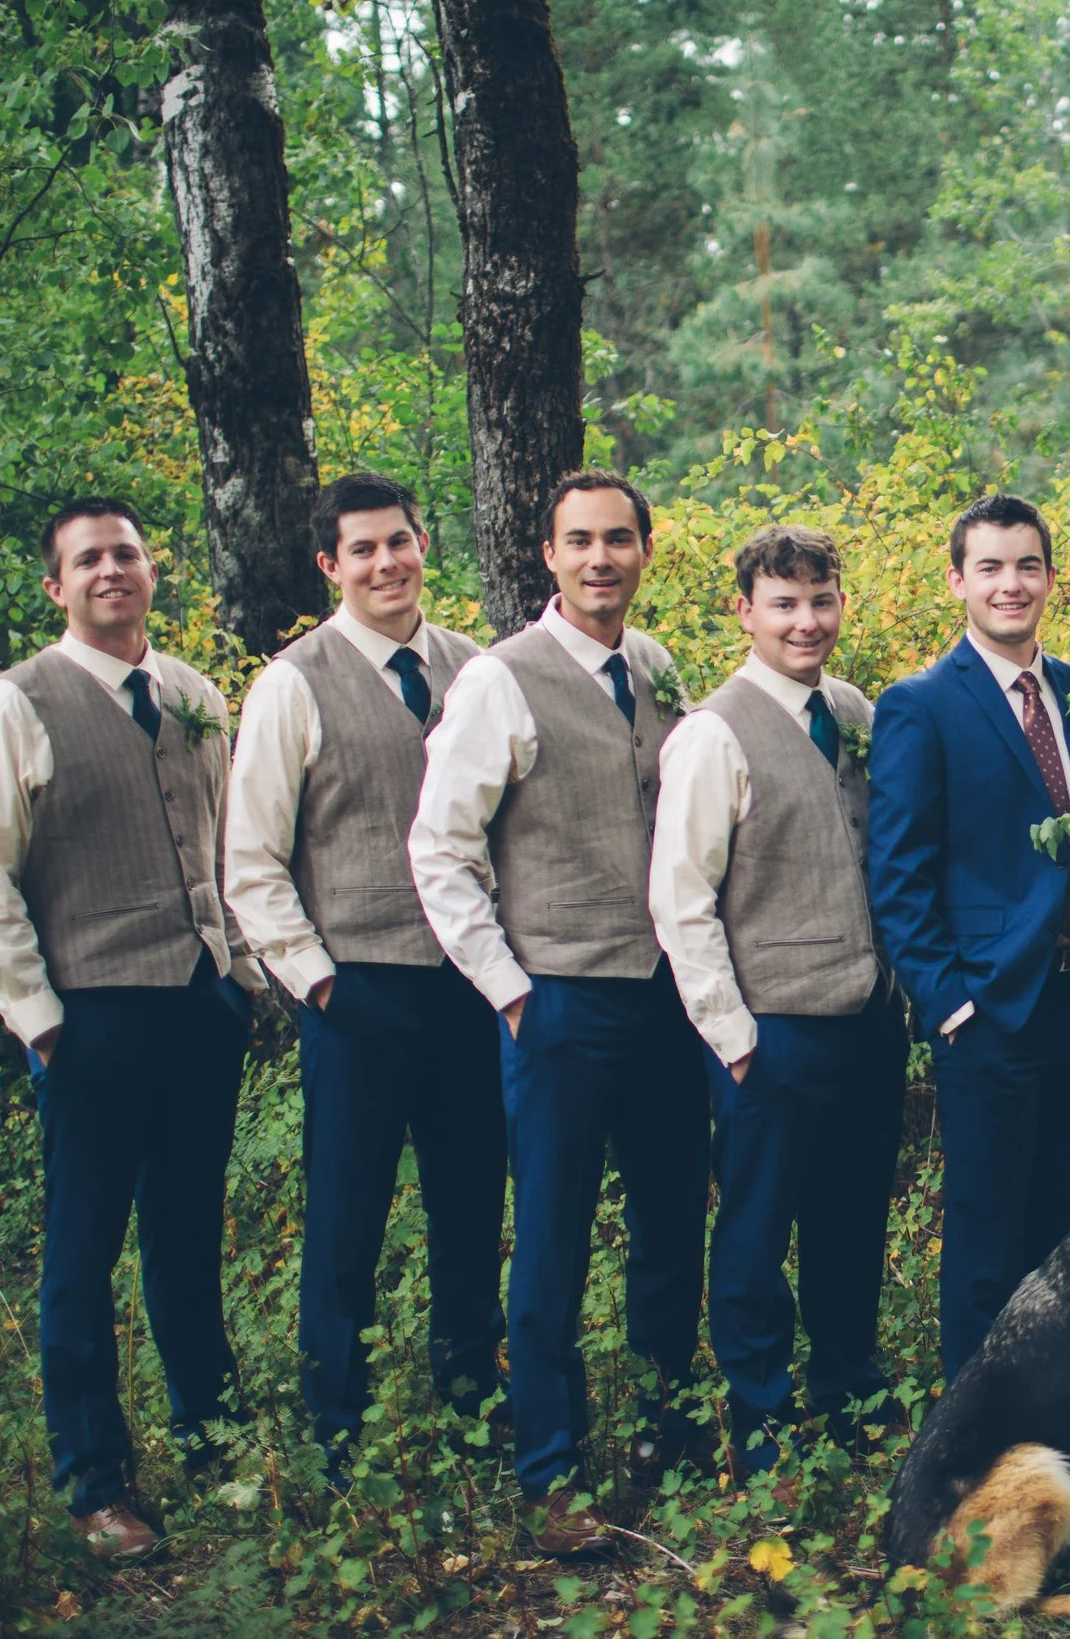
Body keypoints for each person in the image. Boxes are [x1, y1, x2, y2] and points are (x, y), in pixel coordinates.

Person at [0, 498, 261, 1561]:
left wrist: (239, 976)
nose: (111, 570)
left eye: (125, 552)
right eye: (88, 560)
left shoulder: (193, 695)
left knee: (186, 1237)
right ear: (57, 586)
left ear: (150, 567)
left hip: (196, 1003)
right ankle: (96, 1483)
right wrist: (39, 1022)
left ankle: (214, 1440)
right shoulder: (14, 706)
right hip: (87, 1016)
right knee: (82, 1252)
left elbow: (220, 851)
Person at [407, 469, 710, 1553]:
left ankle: (666, 1430)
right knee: (551, 1239)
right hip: (560, 1001)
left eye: (618, 539)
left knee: (673, 1222)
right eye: (579, 540)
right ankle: (549, 1467)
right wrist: (509, 986)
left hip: (665, 999)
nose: (600, 559)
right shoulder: (500, 681)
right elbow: (439, 849)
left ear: (644, 548)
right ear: (547, 554)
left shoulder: (659, 668)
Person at [224, 473, 506, 1484]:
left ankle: (474, 1401)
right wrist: (319, 982)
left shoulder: (476, 670)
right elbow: (252, 862)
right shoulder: (293, 684)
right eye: (364, 550)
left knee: (472, 1207)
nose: (387, 563)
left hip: (470, 988)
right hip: (360, 990)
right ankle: (336, 1430)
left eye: (401, 541)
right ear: (329, 565)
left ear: (423, 542)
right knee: (349, 1218)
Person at [650, 526, 907, 1477]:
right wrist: (734, 1036)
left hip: (867, 1022)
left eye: (822, 598)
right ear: (745, 611)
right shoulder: (714, 732)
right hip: (771, 1032)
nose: (807, 620)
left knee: (850, 1222)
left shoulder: (855, 712)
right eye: (785, 602)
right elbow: (680, 896)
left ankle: (850, 1390)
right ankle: (761, 1418)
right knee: (758, 1233)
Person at [866, 493, 1070, 1381]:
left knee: (1066, 1234)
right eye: (989, 566)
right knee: (986, 1240)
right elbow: (899, 876)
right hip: (990, 1009)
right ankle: (977, 1444)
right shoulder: (919, 705)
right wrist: (950, 1007)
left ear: (1051, 577)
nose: (1010, 583)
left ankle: (1055, 1419)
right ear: (957, 581)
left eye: (1027, 564)